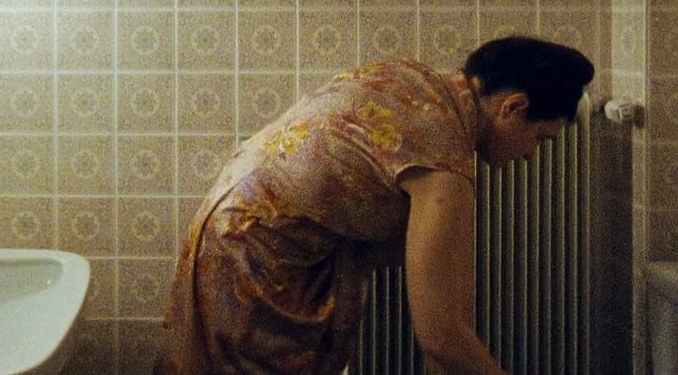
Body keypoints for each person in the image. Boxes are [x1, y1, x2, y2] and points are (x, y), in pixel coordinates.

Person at [154, 36, 595, 375]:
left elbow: (451, 294)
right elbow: (440, 334)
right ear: (512, 108)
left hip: (232, 225)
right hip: (252, 257)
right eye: (541, 139)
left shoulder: (415, 80)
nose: (533, 155)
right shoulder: (441, 159)